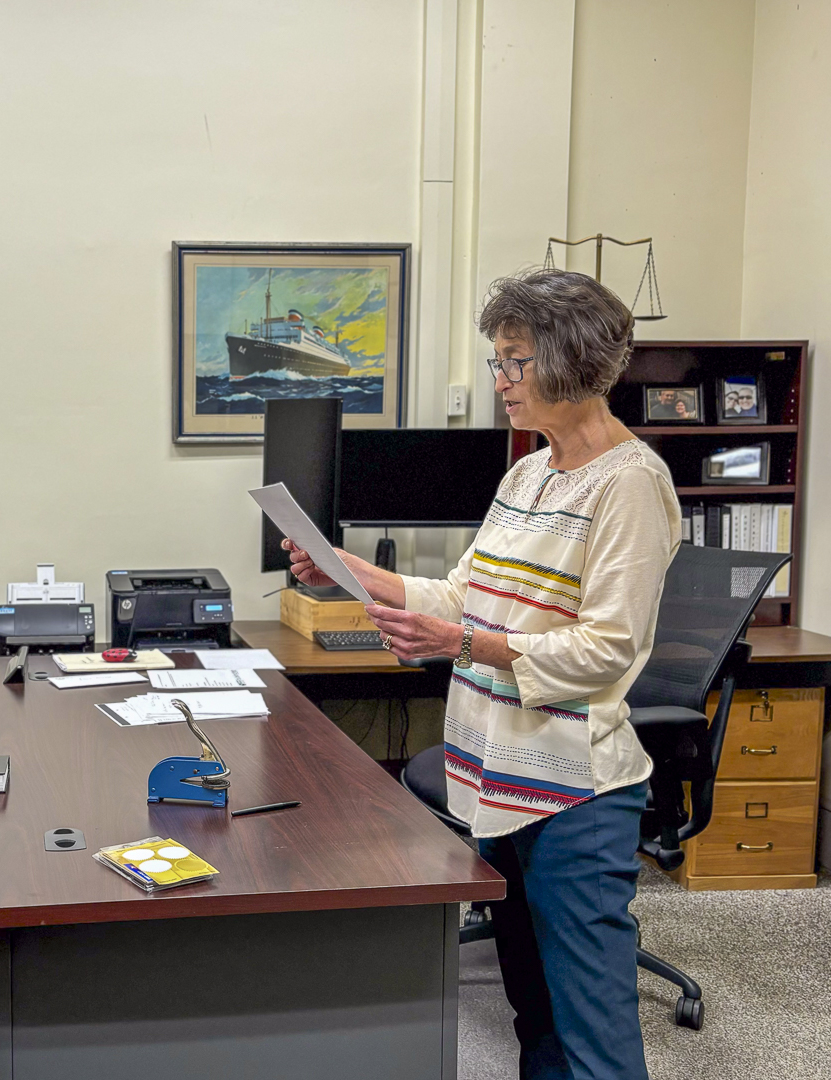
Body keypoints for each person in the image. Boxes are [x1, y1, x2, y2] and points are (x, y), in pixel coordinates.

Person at [286, 268, 679, 1080]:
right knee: (534, 1009)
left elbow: (605, 649)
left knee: (593, 1031)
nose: (500, 380)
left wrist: (461, 644)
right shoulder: (527, 473)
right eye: (498, 360)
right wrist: (355, 576)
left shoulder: (632, 484)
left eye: (513, 361)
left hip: (575, 793)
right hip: (495, 777)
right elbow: (465, 593)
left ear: (570, 361)